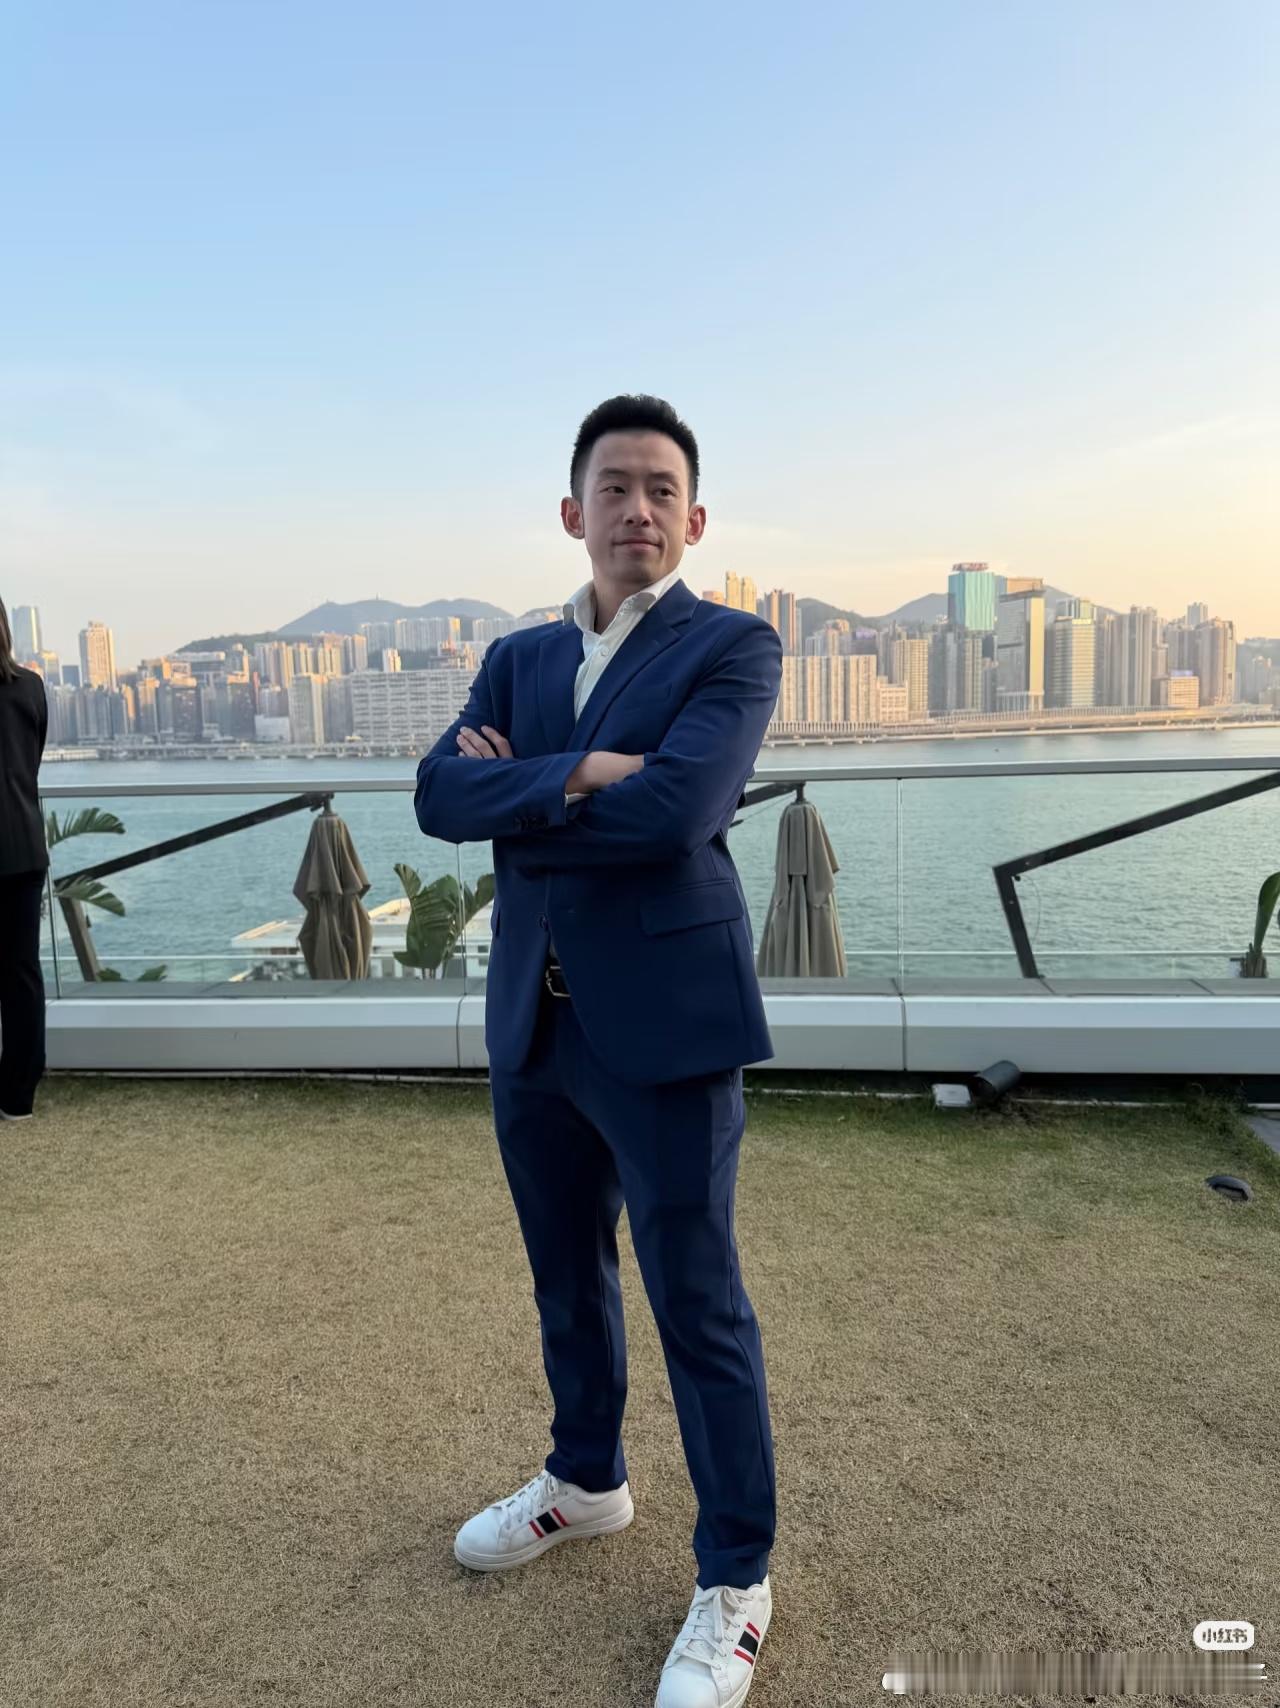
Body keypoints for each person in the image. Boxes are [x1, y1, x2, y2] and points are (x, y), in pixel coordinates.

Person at [414, 395, 783, 1707]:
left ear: (695, 518)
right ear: (573, 512)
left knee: (697, 1301)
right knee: (565, 1275)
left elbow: (679, 810)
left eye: (661, 489)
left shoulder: (734, 644)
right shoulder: (517, 656)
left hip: (667, 1026)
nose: (638, 508)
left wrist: (521, 791)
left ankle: (737, 1575)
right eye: (614, 487)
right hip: (537, 1022)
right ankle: (585, 1480)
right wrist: (583, 774)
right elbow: (435, 794)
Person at [0, 596, 50, 1122]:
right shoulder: (31, 687)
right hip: (23, 846)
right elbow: (30, 762)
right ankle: (19, 1095)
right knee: (22, 974)